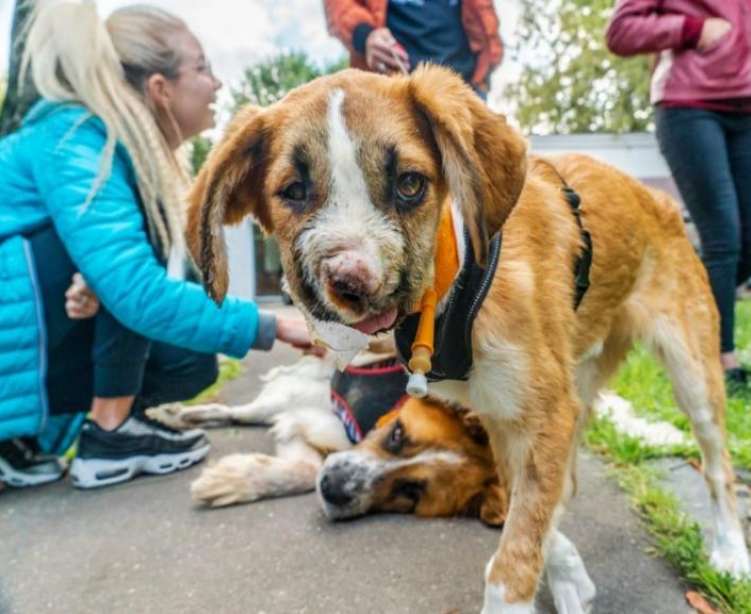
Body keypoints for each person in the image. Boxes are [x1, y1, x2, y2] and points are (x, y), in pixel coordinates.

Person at [0, 2, 313, 490]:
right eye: (202, 67)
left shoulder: (112, 151)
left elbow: (159, 294)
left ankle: (23, 443)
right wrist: (276, 326)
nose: (218, 84)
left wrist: (101, 285)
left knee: (189, 358)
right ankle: (110, 432)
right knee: (126, 281)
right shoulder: (78, 140)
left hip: (31, 358)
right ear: (159, 89)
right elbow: (138, 292)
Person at [606, 0, 751, 386]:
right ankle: (720, 361)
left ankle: (672, 303)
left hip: (745, 107)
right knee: (723, 239)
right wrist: (693, 29)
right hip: (687, 104)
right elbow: (621, 31)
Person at [322, 0, 502, 97]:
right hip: (396, 91)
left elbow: (485, 16)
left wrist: (486, 69)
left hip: (465, 87)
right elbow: (340, 6)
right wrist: (366, 35)